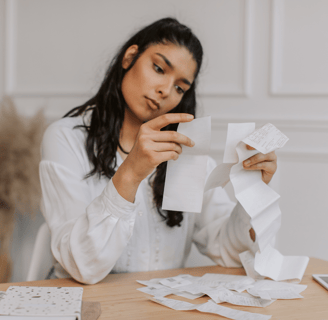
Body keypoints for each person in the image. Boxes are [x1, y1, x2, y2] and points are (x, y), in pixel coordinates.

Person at [40, 18, 277, 284]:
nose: (165, 90)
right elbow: (81, 266)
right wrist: (130, 173)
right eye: (158, 68)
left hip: (158, 308)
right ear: (130, 57)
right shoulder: (65, 139)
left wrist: (252, 190)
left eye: (179, 88)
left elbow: (231, 251)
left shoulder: (185, 153)